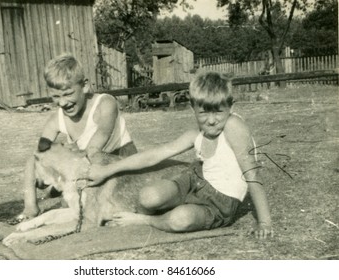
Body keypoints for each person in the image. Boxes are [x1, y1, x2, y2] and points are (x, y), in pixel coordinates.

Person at [87, 71, 273, 239]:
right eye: (203, 113)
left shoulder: (233, 126)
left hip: (221, 201)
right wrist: (107, 170)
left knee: (180, 219)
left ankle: (145, 220)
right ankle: (157, 213)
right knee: (148, 196)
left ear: (230, 107)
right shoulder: (197, 133)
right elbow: (155, 155)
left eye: (218, 111)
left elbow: (252, 174)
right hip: (195, 180)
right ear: (193, 108)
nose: (211, 120)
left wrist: (264, 221)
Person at [18, 53, 137, 220]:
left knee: (79, 209)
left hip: (119, 162)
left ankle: (59, 190)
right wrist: (42, 172)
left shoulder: (105, 104)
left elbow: (97, 143)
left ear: (85, 86)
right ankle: (31, 209)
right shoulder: (56, 120)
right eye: (56, 96)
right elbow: (39, 154)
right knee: (34, 160)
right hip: (86, 167)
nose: (63, 103)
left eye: (68, 94)